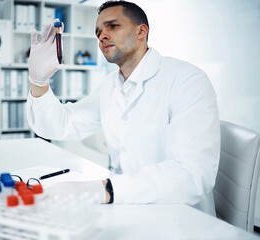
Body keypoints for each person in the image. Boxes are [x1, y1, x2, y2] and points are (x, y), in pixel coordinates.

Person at [26, 0, 220, 215]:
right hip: (126, 207)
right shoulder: (110, 86)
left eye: (113, 26)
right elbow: (62, 125)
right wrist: (39, 81)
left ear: (141, 31)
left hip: (181, 216)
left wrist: (102, 190)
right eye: (98, 31)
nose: (102, 36)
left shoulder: (186, 80)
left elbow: (192, 175)